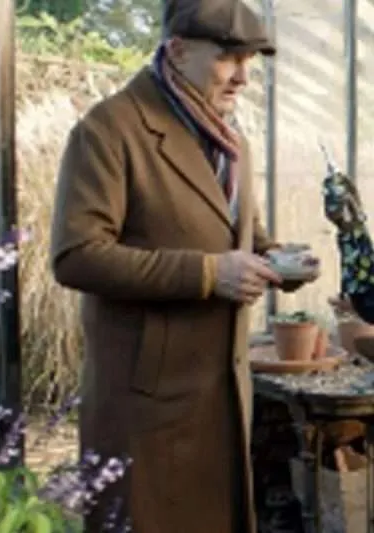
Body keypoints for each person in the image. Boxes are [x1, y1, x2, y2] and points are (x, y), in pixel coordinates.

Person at [50, 1, 318, 531]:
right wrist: (208, 274)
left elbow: (240, 231)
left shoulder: (229, 140)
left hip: (221, 395)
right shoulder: (109, 130)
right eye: (228, 58)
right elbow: (76, 255)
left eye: (249, 61)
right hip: (147, 407)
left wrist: (278, 259)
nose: (243, 77)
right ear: (176, 51)